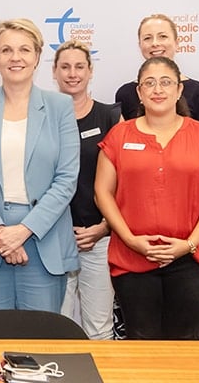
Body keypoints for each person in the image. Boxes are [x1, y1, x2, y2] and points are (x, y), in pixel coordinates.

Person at [95, 56, 199, 340]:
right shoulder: (119, 135)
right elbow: (102, 193)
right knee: (141, 342)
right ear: (139, 93)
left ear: (179, 90)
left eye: (166, 82)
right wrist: (131, 240)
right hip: (132, 257)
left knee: (185, 342)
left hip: (190, 259)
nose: (158, 89)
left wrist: (189, 244)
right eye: (149, 83)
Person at [0, 18, 80, 313]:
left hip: (42, 237)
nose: (15, 57)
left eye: (25, 49)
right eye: (6, 50)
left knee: (40, 345)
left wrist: (23, 231)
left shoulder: (60, 106)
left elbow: (66, 179)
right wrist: (0, 232)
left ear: (37, 57)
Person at [53, 39, 120, 340]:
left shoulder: (111, 117)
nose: (72, 73)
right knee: (57, 328)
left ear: (91, 71)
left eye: (80, 66)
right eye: (65, 67)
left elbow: (127, 181)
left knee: (99, 329)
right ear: (54, 72)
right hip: (53, 240)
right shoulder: (42, 119)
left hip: (100, 237)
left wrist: (105, 227)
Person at [115, 14, 199, 123]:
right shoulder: (125, 93)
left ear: (176, 43)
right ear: (140, 45)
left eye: (163, 36)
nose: (155, 43)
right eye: (147, 38)